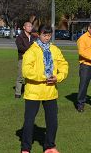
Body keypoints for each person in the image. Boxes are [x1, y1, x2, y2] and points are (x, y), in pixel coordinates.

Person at [20, 25, 68, 153]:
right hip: (33, 93)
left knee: (52, 121)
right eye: (44, 35)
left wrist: (58, 77)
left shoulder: (55, 50)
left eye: (49, 35)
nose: (47, 37)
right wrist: (43, 77)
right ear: (39, 35)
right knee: (29, 121)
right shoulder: (31, 51)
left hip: (50, 91)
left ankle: (49, 146)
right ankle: (25, 148)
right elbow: (26, 71)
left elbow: (64, 64)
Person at [15, 21, 34, 98]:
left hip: (32, 59)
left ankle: (28, 92)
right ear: (24, 27)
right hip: (22, 59)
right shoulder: (19, 37)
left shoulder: (33, 37)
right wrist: (31, 50)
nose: (30, 28)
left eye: (31, 26)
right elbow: (20, 48)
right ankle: (18, 93)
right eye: (28, 26)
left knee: (30, 76)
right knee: (20, 76)